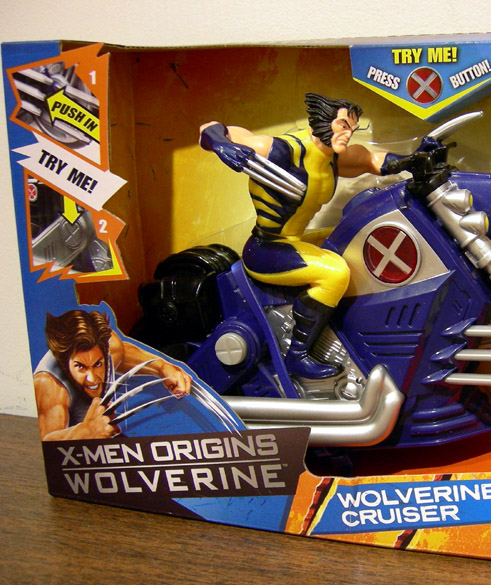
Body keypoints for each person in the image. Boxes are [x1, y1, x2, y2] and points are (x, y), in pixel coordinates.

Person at [200, 93, 400, 379]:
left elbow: (373, 160)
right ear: (323, 121)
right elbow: (210, 128)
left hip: (294, 239)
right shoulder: (282, 150)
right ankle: (298, 355)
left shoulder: (332, 158)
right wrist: (221, 145)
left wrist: (416, 160)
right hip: (265, 248)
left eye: (352, 129)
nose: (347, 134)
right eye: (343, 125)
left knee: (354, 236)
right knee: (335, 274)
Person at [34, 309, 192, 441]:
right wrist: (85, 432)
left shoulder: (110, 347)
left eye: (98, 364)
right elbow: (47, 444)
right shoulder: (49, 384)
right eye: (80, 367)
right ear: (65, 363)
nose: (92, 378)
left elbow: (124, 355)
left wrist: (163, 367)